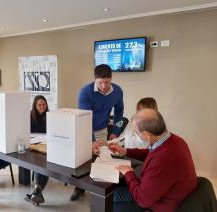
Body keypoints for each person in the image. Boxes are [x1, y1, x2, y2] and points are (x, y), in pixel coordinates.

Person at [109, 109, 197, 211]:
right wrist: (125, 151)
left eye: (136, 133)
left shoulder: (163, 159)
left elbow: (142, 200)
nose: (134, 134)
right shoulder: (174, 140)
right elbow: (152, 153)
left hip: (159, 205)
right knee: (117, 189)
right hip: (165, 192)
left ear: (146, 134)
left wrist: (129, 173)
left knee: (110, 198)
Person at [75, 64, 124, 200]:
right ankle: (79, 187)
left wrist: (116, 130)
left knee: (101, 159)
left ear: (111, 79)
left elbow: (119, 112)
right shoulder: (85, 92)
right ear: (95, 79)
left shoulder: (118, 91)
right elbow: (85, 119)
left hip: (102, 129)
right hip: (85, 129)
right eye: (100, 82)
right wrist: (91, 141)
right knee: (84, 159)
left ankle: (98, 191)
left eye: (107, 82)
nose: (104, 86)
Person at [25, 95, 49, 206]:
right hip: (33, 147)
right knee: (40, 164)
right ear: (35, 106)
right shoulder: (29, 116)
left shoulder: (50, 116)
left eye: (43, 104)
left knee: (44, 164)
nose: (42, 107)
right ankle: (37, 194)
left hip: (46, 147)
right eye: (39, 105)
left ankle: (36, 193)